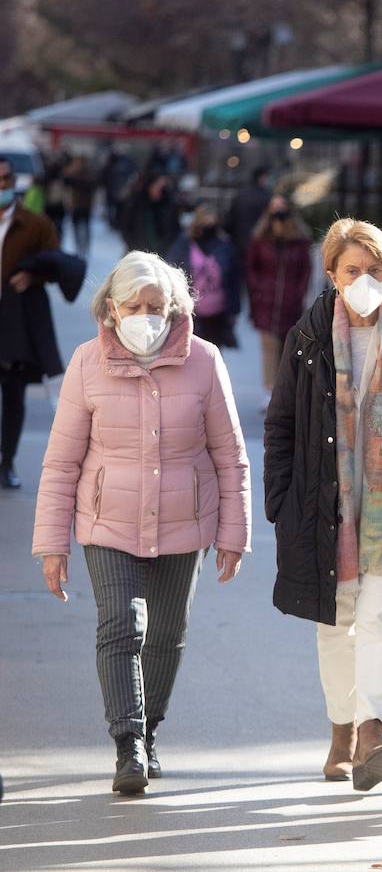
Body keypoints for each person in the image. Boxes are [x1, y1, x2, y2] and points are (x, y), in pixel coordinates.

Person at [31, 251, 250, 795]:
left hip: (184, 522)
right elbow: (61, 460)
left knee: (167, 635)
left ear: (175, 309)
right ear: (111, 308)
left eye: (158, 306)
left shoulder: (204, 360)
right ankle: (128, 744)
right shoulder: (87, 363)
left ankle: (150, 733)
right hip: (107, 521)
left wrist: (234, 533)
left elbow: (230, 455)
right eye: (136, 306)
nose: (147, 316)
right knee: (122, 625)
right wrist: (51, 543)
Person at [264, 218, 382, 792]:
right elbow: (282, 424)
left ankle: (371, 732)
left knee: (378, 619)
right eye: (352, 271)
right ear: (332, 275)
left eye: (376, 271)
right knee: (335, 624)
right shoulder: (308, 337)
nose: (364, 280)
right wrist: (279, 503)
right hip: (324, 510)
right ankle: (340, 731)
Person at [0, 157, 62, 488]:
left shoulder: (36, 224)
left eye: (6, 179)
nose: (2, 186)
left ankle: (6, 461)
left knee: (14, 395)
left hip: (18, 322)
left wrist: (33, 275)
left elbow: (57, 263)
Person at [245, 195, 313, 410]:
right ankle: (269, 391)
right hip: (266, 302)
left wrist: (298, 293)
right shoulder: (260, 239)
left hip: (290, 303)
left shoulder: (300, 241)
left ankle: (285, 392)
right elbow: (251, 268)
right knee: (269, 348)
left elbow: (305, 270)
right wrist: (258, 291)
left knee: (288, 349)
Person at [167, 204, 240, 349]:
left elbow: (233, 279)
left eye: (212, 221)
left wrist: (234, 309)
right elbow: (172, 272)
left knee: (213, 355)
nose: (209, 224)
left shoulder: (224, 245)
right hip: (192, 313)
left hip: (218, 315)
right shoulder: (184, 244)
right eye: (205, 221)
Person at [119, 169, 179, 256]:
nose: (159, 188)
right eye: (157, 185)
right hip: (137, 252)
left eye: (162, 186)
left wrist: (167, 247)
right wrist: (133, 245)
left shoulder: (169, 204)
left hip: (162, 255)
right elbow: (125, 225)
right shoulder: (137, 202)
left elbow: (175, 228)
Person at [225, 166, 273, 259]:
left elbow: (230, 220)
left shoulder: (241, 194)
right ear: (262, 178)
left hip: (239, 241)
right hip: (260, 243)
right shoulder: (266, 196)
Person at [63, 154, 98, 259]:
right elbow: (66, 181)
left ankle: (83, 248)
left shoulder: (88, 174)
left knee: (84, 227)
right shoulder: (74, 173)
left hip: (84, 205)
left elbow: (92, 184)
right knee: (77, 227)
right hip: (76, 205)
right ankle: (80, 248)